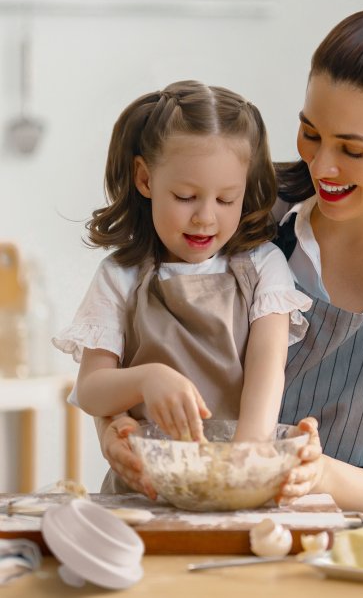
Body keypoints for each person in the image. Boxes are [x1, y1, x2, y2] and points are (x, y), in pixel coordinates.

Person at [96, 0, 363, 511]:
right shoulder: (248, 223)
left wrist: (324, 473)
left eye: (353, 150)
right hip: (186, 514)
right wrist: (113, 432)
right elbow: (137, 335)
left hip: (346, 553)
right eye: (310, 133)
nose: (322, 166)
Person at [53, 80, 311, 492]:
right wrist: (146, 379)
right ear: (145, 179)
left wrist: (243, 465)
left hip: (233, 481)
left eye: (227, 200)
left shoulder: (264, 268)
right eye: (186, 196)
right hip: (142, 490)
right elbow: (90, 391)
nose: (205, 218)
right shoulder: (120, 276)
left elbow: (267, 374)